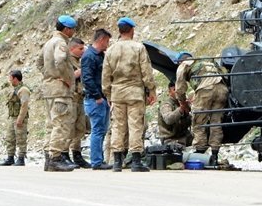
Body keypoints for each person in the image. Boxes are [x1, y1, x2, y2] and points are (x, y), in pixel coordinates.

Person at [102, 16, 156, 172]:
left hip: (117, 93)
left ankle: (117, 162)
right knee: (135, 126)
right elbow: (146, 71)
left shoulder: (111, 49)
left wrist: (108, 94)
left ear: (119, 30)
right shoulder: (138, 48)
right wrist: (151, 89)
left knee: (118, 126)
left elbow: (105, 75)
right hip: (134, 93)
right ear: (132, 30)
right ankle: (135, 161)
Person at [175, 51, 230, 167]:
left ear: (180, 61)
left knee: (199, 121)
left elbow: (180, 87)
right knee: (216, 123)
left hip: (206, 90)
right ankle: (215, 154)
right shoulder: (207, 60)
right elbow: (224, 73)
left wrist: (182, 102)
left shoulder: (184, 64)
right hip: (222, 90)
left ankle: (199, 152)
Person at [39, 14, 78, 172]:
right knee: (61, 124)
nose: (73, 32)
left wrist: (49, 75)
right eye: (73, 29)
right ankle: (55, 158)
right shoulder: (61, 43)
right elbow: (60, 60)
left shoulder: (48, 43)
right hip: (60, 90)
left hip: (48, 89)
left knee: (51, 124)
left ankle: (48, 159)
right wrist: (64, 77)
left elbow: (39, 63)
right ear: (67, 29)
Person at [81, 27, 112, 170]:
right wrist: (97, 96)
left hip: (102, 98)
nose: (107, 44)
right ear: (101, 40)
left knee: (102, 130)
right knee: (97, 130)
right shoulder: (89, 56)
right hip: (95, 100)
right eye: (106, 41)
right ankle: (97, 161)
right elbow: (86, 78)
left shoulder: (100, 55)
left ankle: (99, 159)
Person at [0, 69, 30, 166]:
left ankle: (21, 158)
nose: (9, 80)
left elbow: (24, 105)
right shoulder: (15, 90)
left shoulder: (23, 90)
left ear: (15, 78)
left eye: (10, 78)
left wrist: (20, 119)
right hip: (12, 118)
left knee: (21, 138)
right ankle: (10, 157)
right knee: (10, 138)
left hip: (19, 118)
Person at [67, 37, 90, 168]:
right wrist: (81, 71)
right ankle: (64, 154)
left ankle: (77, 154)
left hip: (80, 97)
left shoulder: (79, 61)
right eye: (80, 49)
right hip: (70, 97)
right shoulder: (66, 60)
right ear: (72, 48)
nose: (82, 51)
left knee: (80, 128)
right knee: (68, 127)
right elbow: (67, 77)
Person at [157, 82, 194, 147]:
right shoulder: (166, 104)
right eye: (174, 90)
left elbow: (190, 123)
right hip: (170, 139)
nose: (177, 92)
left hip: (185, 137)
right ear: (169, 92)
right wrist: (181, 109)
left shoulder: (182, 103)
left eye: (179, 89)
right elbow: (168, 119)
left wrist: (188, 112)